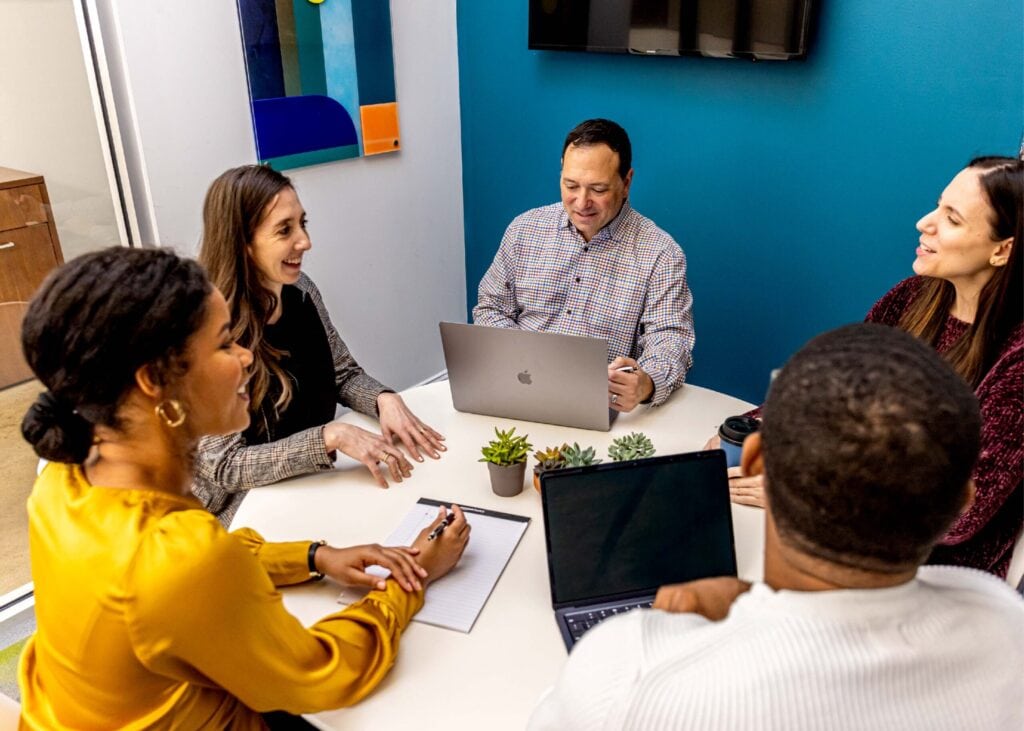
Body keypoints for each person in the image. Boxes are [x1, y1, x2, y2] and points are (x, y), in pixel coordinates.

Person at [17, 248, 470, 728]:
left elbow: (186, 575)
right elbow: (322, 674)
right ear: (155, 381)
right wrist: (408, 580)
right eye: (224, 344)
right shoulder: (177, 559)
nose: (247, 355)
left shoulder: (63, 481)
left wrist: (314, 557)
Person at [529, 323, 1024, 730]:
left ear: (756, 463)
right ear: (964, 501)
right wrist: (747, 599)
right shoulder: (1004, 621)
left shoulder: (628, 673)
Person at [721, 156, 1022, 578]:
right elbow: (833, 385)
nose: (924, 223)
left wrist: (805, 497)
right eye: (937, 206)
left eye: (951, 219)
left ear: (1002, 249)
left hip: (930, 573)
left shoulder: (1017, 360)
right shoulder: (912, 297)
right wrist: (747, 431)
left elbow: (961, 516)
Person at [196, 165, 446, 525]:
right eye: (285, 230)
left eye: (303, 224)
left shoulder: (301, 291)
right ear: (242, 243)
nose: (305, 242)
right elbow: (225, 465)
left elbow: (342, 374)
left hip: (316, 482)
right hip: (242, 510)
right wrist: (329, 437)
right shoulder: (207, 328)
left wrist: (382, 398)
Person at [473, 118, 694, 412]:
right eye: (571, 185)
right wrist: (524, 357)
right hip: (520, 388)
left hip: (601, 405)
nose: (581, 202)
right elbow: (490, 307)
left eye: (598, 189)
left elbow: (670, 338)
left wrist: (647, 382)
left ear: (626, 182)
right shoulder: (523, 230)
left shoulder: (660, 253)